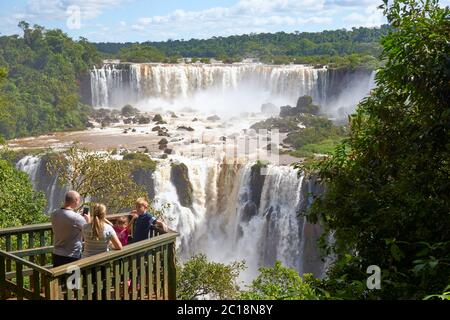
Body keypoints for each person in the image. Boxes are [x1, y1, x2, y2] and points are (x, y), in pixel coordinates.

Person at [51, 191, 90, 267]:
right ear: (75, 200)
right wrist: (88, 220)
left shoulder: (54, 213)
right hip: (72, 255)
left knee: (61, 278)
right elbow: (89, 232)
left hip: (57, 254)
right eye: (79, 200)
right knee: (73, 279)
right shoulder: (76, 218)